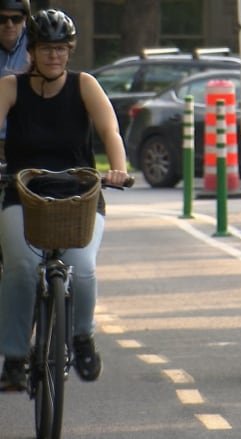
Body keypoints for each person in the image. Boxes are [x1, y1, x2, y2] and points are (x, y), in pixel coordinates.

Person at [0, 9, 130, 391]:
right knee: (21, 266)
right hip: (22, 194)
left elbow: (111, 131)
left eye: (61, 49)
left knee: (82, 266)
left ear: (69, 51)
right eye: (45, 49)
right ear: (32, 51)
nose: (53, 56)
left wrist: (117, 169)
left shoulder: (84, 85)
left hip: (80, 195)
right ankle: (14, 356)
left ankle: (82, 337)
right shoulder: (10, 87)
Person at [0, 0, 31, 161]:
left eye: (16, 19)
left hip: (27, 138)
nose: (9, 24)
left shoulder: (36, 45)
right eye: (2, 19)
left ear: (25, 20)